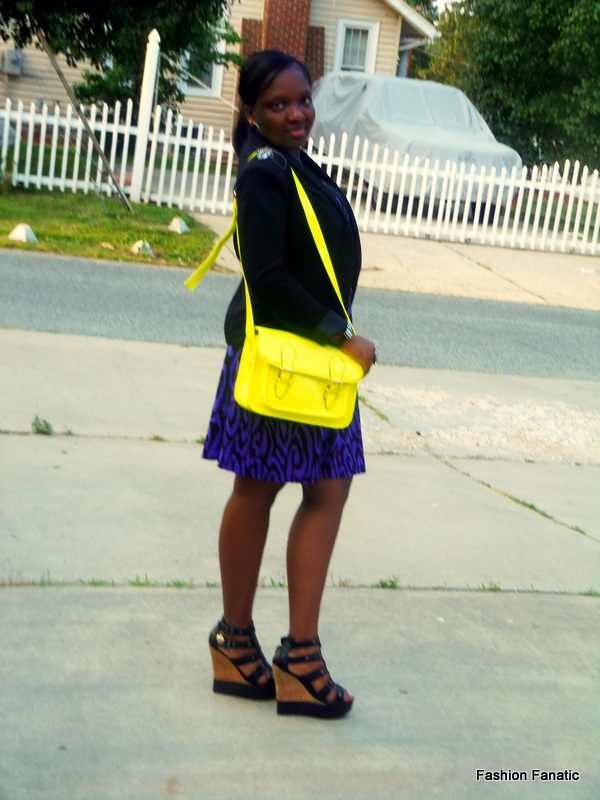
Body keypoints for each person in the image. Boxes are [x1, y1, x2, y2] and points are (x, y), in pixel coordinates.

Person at [204, 50, 377, 720]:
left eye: (303, 99)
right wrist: (340, 334)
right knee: (262, 490)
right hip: (288, 361)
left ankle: (275, 651)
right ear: (250, 111)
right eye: (278, 104)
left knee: (320, 489)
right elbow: (268, 277)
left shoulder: (292, 163)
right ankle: (257, 647)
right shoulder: (265, 172)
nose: (297, 113)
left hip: (309, 364)